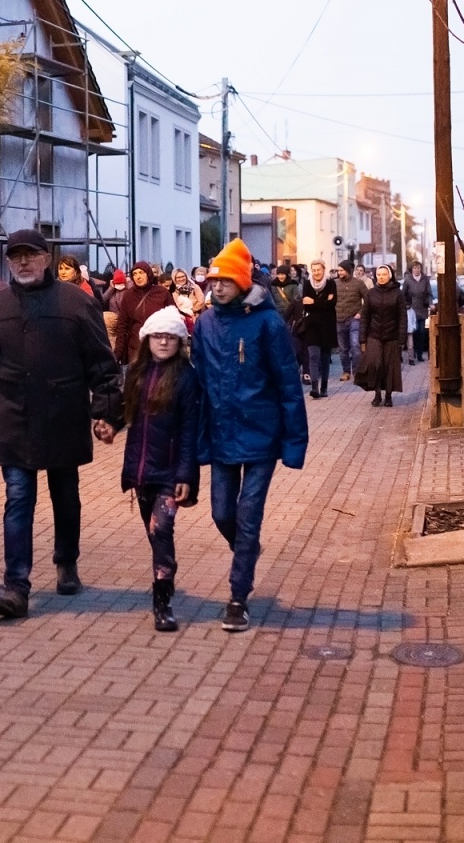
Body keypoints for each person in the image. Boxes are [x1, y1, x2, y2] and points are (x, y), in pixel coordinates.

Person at [0, 229, 123, 620]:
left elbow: (102, 363)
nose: (24, 263)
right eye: (16, 257)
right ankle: (16, 585)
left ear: (46, 259)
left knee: (65, 496)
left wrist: (108, 413)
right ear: (8, 263)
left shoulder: (77, 305)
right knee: (18, 499)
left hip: (64, 415)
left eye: (31, 255)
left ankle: (66, 562)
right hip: (15, 419)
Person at [192, 239, 308, 632]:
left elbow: (288, 384)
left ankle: (238, 598)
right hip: (222, 433)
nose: (217, 287)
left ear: (242, 282)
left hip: (261, 436)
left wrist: (294, 443)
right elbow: (198, 380)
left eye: (224, 280)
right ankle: (248, 550)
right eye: (212, 281)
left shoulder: (269, 322)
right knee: (222, 512)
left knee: (248, 515)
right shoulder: (205, 323)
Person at [117, 306, 200, 633]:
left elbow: (190, 430)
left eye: (170, 337)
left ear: (179, 341)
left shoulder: (187, 377)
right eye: (158, 337)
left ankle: (162, 603)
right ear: (148, 339)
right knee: (154, 534)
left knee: (160, 530)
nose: (164, 342)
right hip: (142, 471)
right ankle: (166, 566)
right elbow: (124, 414)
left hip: (170, 472)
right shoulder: (136, 375)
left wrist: (185, 476)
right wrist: (107, 425)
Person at [358, 263, 408, 407]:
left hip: (392, 336)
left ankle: (388, 395)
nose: (381, 277)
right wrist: (362, 338)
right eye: (378, 275)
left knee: (389, 366)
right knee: (375, 364)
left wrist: (401, 338)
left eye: (384, 274)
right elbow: (365, 316)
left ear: (390, 276)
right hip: (374, 335)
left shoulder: (398, 294)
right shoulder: (371, 293)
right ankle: (377, 393)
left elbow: (402, 317)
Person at [112, 262, 172, 365]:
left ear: (148, 274)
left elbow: (173, 320)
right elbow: (122, 326)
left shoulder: (162, 293)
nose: (138, 277)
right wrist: (118, 354)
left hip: (159, 347)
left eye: (141, 273)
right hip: (136, 348)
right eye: (134, 274)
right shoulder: (128, 296)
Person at [300, 260, 338, 398]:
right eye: (314, 270)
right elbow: (306, 304)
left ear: (323, 269)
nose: (316, 272)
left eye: (319, 270)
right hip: (312, 325)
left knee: (325, 357)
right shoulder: (307, 284)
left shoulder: (330, 283)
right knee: (313, 356)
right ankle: (314, 387)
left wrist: (315, 301)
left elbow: (332, 303)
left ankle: (324, 387)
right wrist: (323, 302)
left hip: (327, 325)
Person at [333, 262, 366, 385]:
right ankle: (346, 371)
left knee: (355, 346)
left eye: (342, 270)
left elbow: (368, 300)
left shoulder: (358, 284)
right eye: (338, 271)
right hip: (338, 319)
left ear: (348, 270)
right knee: (342, 349)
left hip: (354, 319)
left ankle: (357, 372)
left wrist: (360, 313)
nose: (339, 273)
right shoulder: (334, 284)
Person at [401, 261, 433, 366]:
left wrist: (430, 303)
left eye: (418, 268)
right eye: (415, 268)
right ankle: (412, 353)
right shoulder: (408, 280)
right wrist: (405, 305)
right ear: (412, 269)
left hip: (422, 309)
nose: (417, 270)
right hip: (411, 310)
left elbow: (429, 294)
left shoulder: (425, 280)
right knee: (413, 332)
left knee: (422, 331)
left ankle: (419, 354)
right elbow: (403, 295)